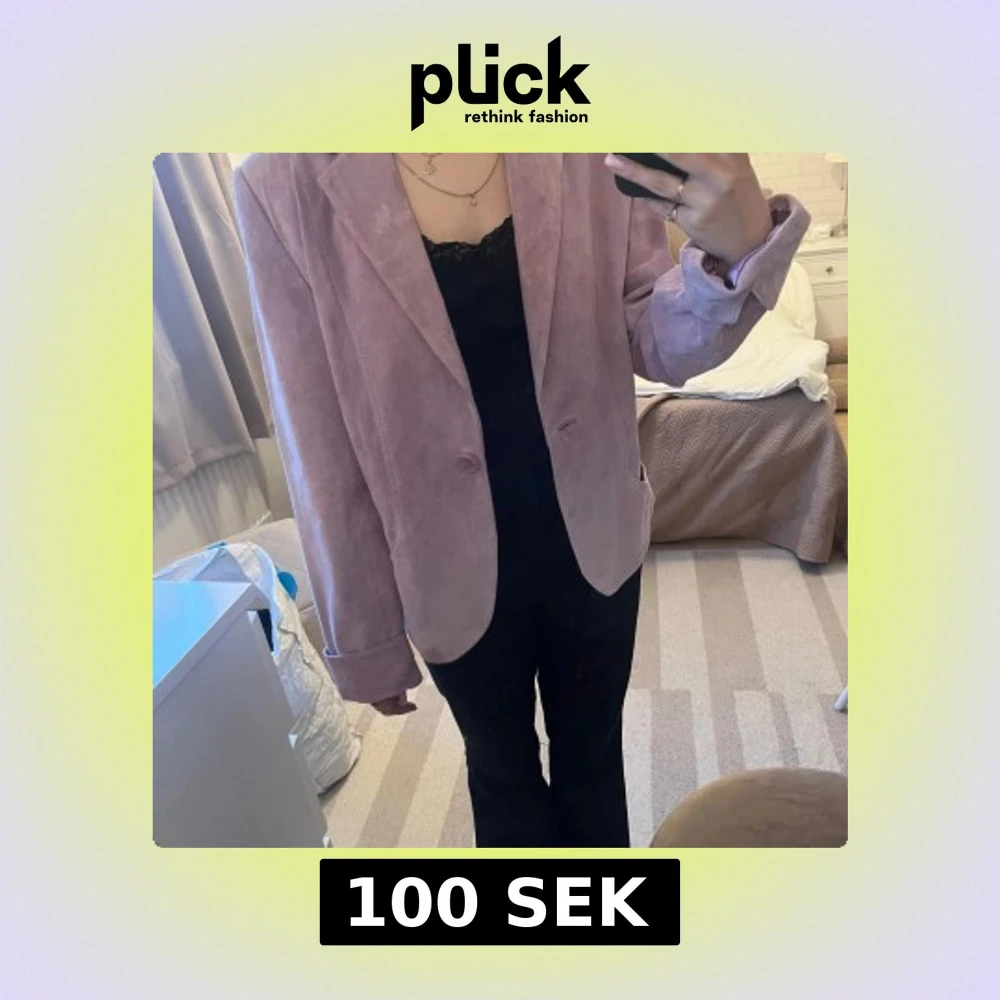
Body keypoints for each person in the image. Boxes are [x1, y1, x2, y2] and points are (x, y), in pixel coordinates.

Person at [233, 153, 810, 847]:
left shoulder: (588, 135)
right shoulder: (281, 181)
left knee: (593, 762)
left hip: (594, 533)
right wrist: (365, 635)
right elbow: (317, 435)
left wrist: (733, 257)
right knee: (500, 772)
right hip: (443, 566)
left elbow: (650, 332)